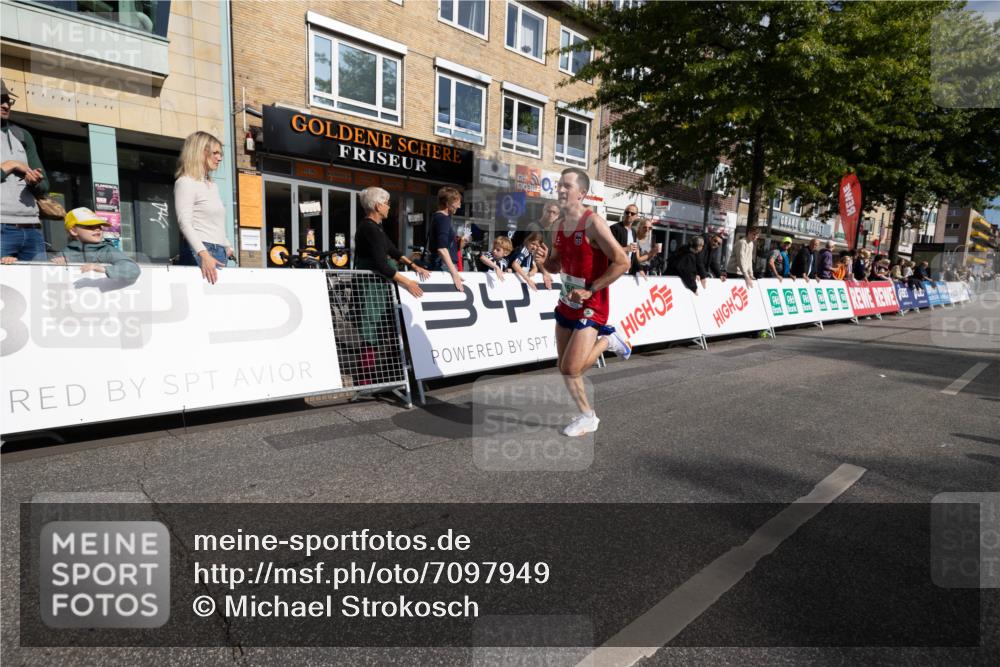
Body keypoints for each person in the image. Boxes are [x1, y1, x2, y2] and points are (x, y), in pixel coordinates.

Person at [538, 168, 630, 437]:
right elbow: (556, 265)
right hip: (567, 300)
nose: (561, 190)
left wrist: (590, 289)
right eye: (560, 185)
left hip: (593, 303)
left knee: (571, 367)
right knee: (564, 368)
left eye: (567, 186)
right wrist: (544, 262)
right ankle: (587, 416)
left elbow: (622, 262)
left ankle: (608, 341)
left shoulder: (594, 223)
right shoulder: (557, 226)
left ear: (582, 193)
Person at [354, 186, 431, 384]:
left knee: (387, 327)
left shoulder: (377, 227)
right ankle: (365, 380)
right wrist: (408, 282)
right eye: (387, 203)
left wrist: (414, 266)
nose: (389, 206)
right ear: (378, 206)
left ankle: (392, 373)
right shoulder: (369, 228)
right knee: (371, 331)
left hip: (379, 286)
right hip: (370, 288)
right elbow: (381, 265)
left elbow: (394, 251)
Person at [1, 80, 50, 264]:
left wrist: (34, 181)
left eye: (8, 101)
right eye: (0, 100)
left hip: (32, 227)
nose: (6, 106)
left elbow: (45, 186)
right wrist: (11, 165)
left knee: (37, 281)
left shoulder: (23, 135)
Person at [174, 131, 232, 284]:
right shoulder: (186, 182)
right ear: (200, 152)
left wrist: (226, 244)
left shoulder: (212, 186)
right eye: (215, 153)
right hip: (200, 252)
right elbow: (184, 223)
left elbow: (214, 222)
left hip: (219, 251)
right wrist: (204, 255)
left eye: (220, 154)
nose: (219, 158)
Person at [51, 207, 140, 281]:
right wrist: (58, 264)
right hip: (76, 295)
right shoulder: (66, 252)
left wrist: (103, 269)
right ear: (73, 231)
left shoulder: (107, 250)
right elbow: (50, 275)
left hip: (104, 294)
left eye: (99, 226)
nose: (97, 229)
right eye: (90, 226)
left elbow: (133, 269)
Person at [427, 186, 463, 292]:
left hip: (442, 264)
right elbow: (442, 248)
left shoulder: (438, 217)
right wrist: (454, 273)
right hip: (444, 266)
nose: (459, 206)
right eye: (457, 203)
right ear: (448, 203)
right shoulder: (443, 219)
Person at [609, 204, 640, 274]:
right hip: (614, 270)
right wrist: (626, 249)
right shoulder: (614, 228)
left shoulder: (633, 232)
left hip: (628, 271)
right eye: (627, 212)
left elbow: (633, 255)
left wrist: (640, 269)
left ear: (636, 216)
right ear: (624, 213)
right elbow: (609, 249)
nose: (629, 215)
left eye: (632, 213)